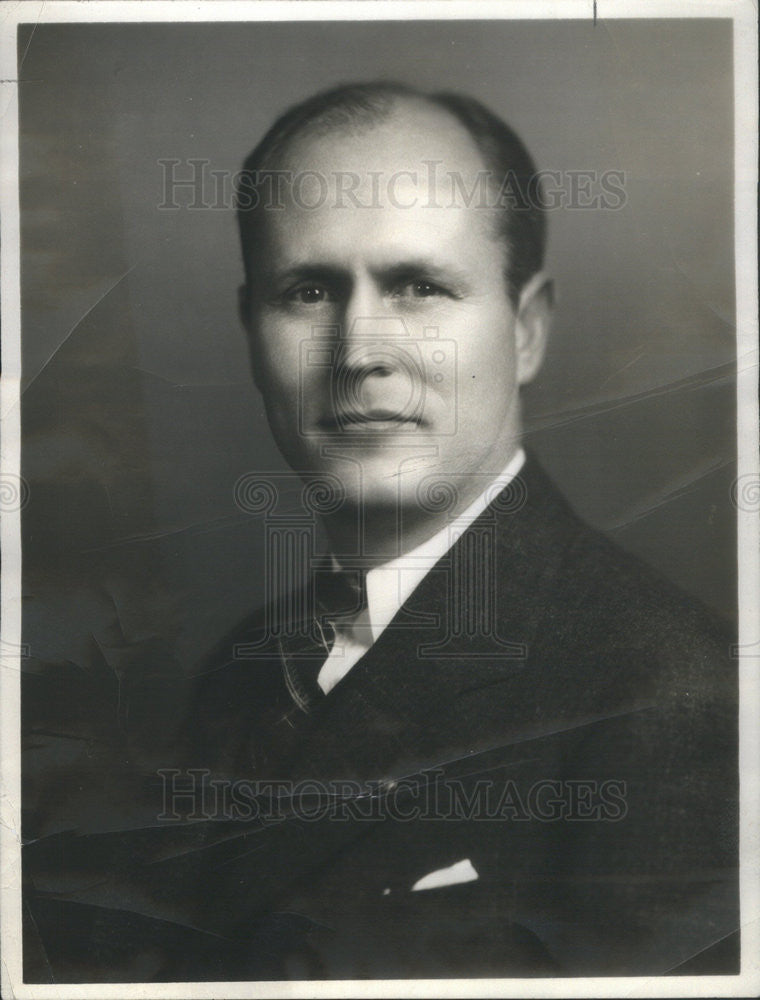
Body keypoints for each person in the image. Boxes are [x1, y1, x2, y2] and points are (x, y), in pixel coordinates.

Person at [22, 82, 738, 981]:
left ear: (525, 332)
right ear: (251, 332)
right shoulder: (244, 670)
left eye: (420, 286)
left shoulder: (678, 703)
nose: (360, 348)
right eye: (310, 290)